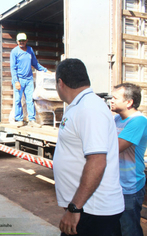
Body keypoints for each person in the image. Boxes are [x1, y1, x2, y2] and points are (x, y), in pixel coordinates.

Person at [53, 59, 124, 236]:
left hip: (93, 212)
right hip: (86, 209)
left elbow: (97, 162)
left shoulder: (89, 109)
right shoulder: (80, 106)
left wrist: (74, 208)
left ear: (60, 83)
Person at [111, 83, 147, 236]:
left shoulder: (138, 121)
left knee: (129, 230)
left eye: (115, 98)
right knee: (115, 229)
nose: (111, 100)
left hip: (130, 187)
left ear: (129, 102)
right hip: (116, 185)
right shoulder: (117, 119)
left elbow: (114, 147)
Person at [10, 32, 50, 128]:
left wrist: (45, 70)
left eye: (23, 40)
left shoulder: (30, 50)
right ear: (17, 41)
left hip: (29, 79)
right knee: (18, 100)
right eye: (20, 41)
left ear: (26, 41)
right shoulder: (14, 52)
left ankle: (32, 120)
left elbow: (35, 64)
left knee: (30, 100)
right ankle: (19, 120)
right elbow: (13, 68)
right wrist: (16, 81)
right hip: (19, 79)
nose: (21, 42)